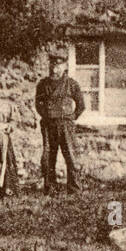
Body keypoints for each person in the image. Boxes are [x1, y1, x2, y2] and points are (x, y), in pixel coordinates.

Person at [35, 53, 85, 194]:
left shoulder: (71, 84)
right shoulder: (43, 84)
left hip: (65, 125)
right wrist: (46, 115)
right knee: (48, 157)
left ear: (65, 67)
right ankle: (51, 188)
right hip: (48, 125)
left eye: (58, 66)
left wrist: (70, 118)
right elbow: (38, 104)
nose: (54, 69)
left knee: (70, 156)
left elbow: (81, 105)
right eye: (52, 65)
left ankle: (74, 188)